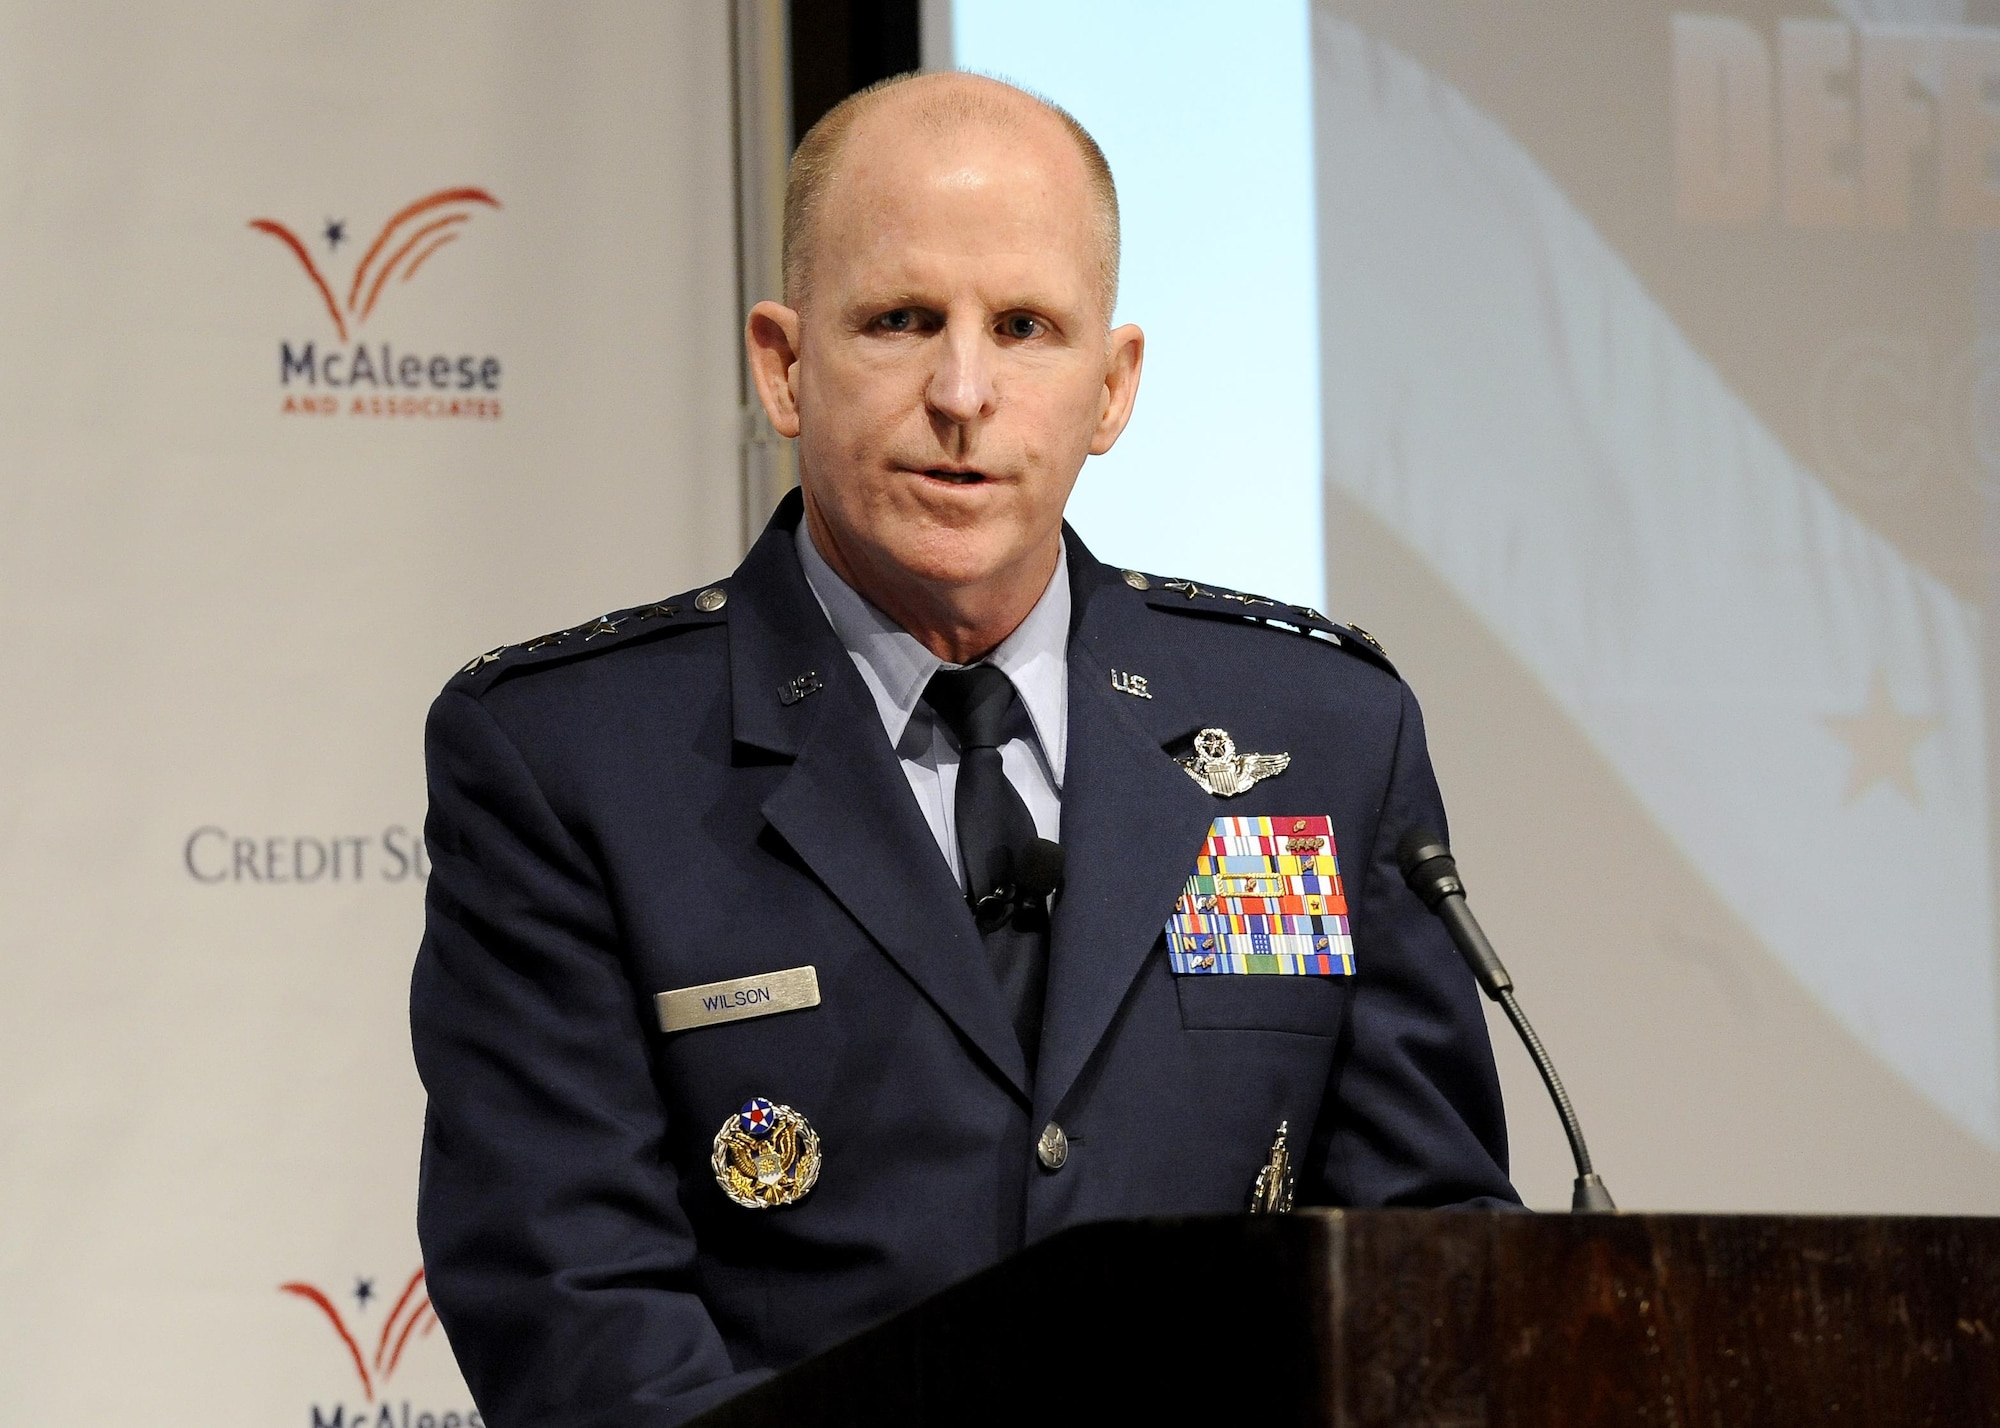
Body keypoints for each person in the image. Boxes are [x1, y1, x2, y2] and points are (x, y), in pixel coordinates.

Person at [411, 70, 1517, 1427]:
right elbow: (580, 1326)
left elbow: (1433, 1269)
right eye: (901, 320)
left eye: (1028, 327)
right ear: (784, 363)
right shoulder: (570, 762)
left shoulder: (1322, 735)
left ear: (1111, 389)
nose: (964, 391)